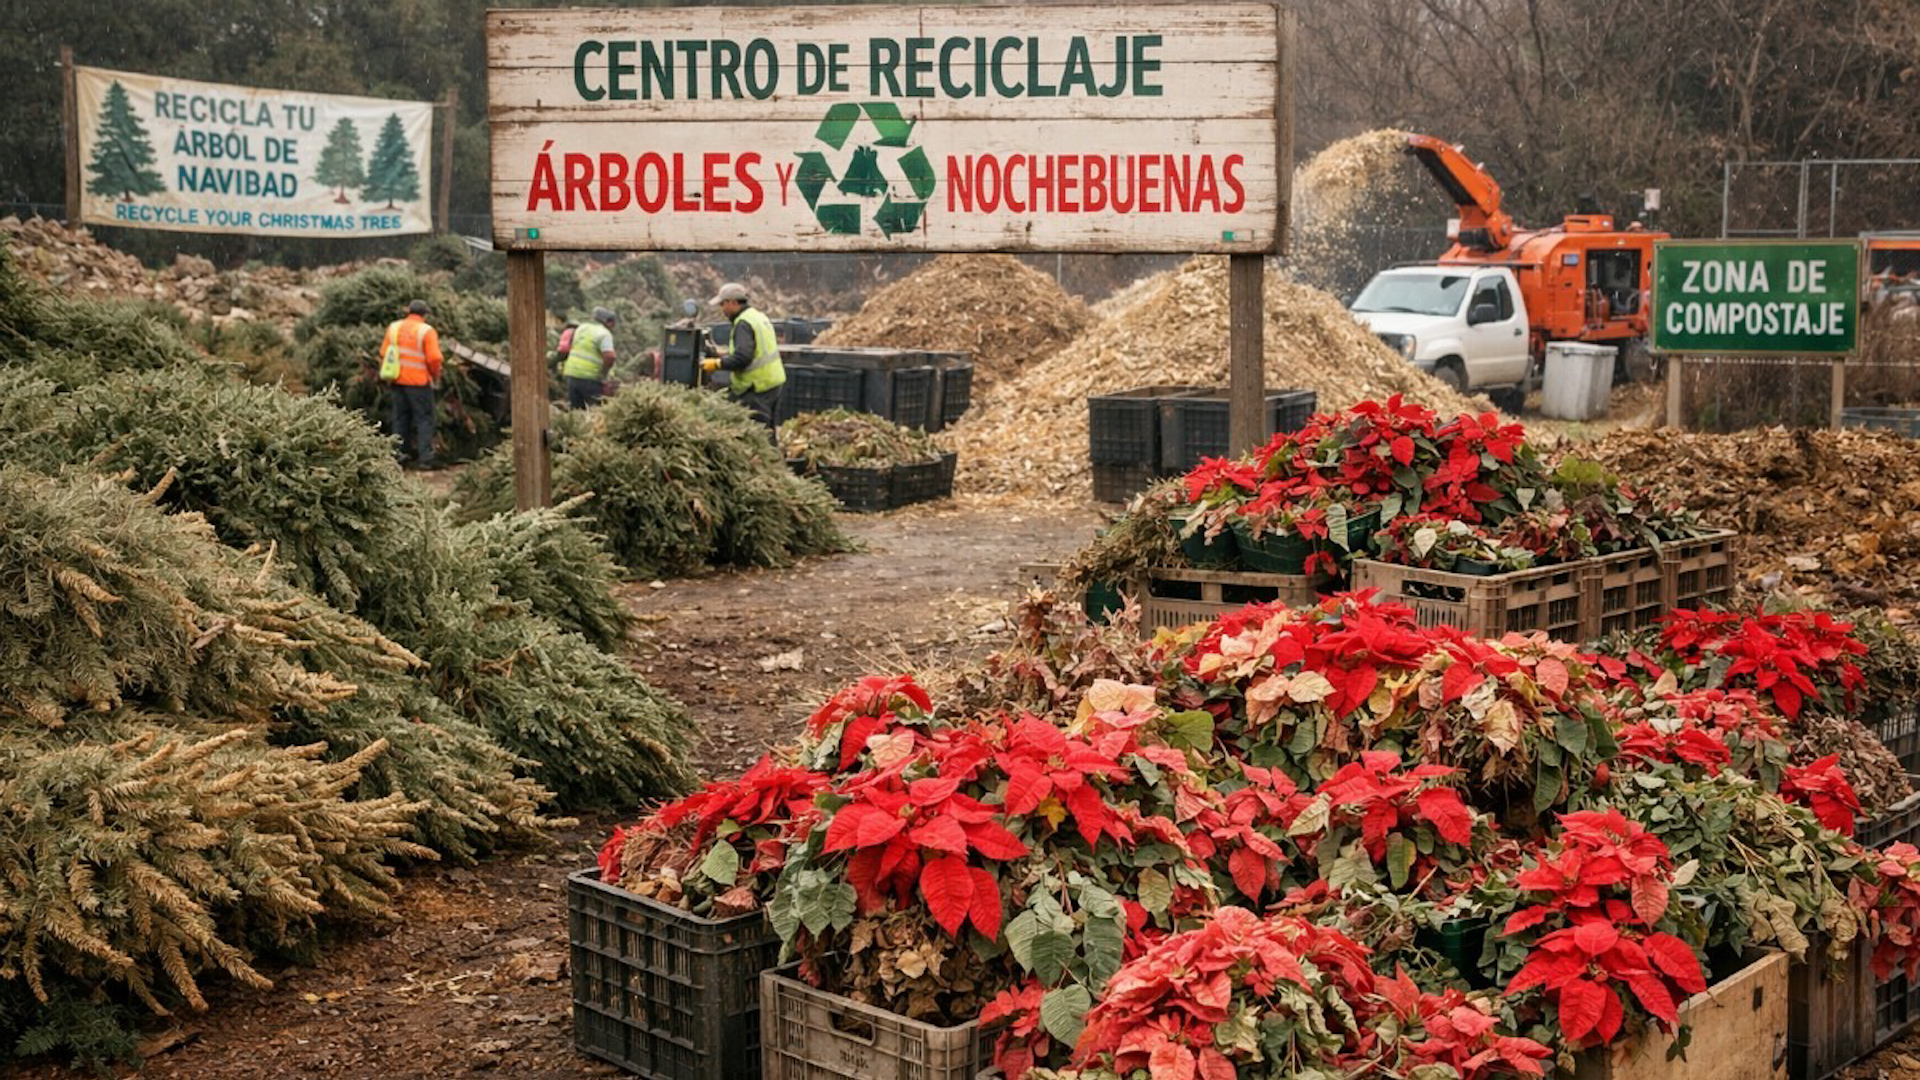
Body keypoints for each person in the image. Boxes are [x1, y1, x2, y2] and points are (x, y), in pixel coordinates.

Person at [701, 282, 786, 429]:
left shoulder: (743, 324)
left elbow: (742, 358)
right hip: (773, 382)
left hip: (758, 386)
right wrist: (725, 353)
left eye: (723, 304)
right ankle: (772, 452)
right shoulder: (758, 317)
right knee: (768, 431)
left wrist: (715, 364)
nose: (722, 309)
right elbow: (756, 349)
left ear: (732, 303)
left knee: (757, 434)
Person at [381, 299, 443, 469]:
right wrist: (436, 375)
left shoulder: (393, 327)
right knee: (424, 419)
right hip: (418, 382)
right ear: (425, 314)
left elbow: (383, 352)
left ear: (408, 311)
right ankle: (425, 458)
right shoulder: (426, 331)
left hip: (396, 380)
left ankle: (400, 456)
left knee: (401, 418)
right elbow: (434, 358)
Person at [563, 307, 619, 409]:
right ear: (608, 322)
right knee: (597, 411)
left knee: (576, 412)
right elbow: (610, 356)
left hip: (572, 374)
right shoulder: (604, 333)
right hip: (590, 377)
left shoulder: (581, 328)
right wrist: (604, 374)